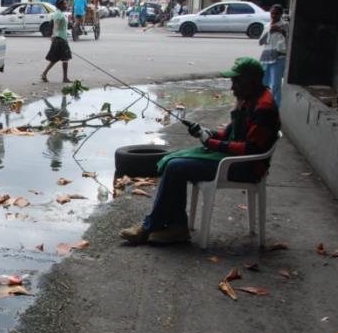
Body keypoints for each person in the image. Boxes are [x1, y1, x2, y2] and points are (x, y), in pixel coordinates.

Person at [120, 57, 281, 245]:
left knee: (176, 167)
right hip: (233, 160)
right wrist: (206, 133)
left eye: (237, 81)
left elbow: (250, 149)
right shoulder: (249, 99)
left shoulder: (263, 107)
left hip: (245, 167)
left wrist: (211, 143)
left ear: (252, 80)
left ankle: (151, 226)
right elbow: (229, 133)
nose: (232, 87)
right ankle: (176, 226)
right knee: (173, 161)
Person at [259, 4, 288, 106]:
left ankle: (275, 108)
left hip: (279, 58)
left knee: (276, 85)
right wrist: (269, 32)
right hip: (266, 58)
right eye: (272, 13)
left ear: (281, 14)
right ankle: (263, 105)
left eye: (276, 13)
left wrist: (281, 31)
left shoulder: (285, 25)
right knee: (263, 83)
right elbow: (260, 42)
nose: (274, 15)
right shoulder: (267, 25)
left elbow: (290, 41)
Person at [41, 0, 72, 83]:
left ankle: (44, 74)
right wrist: (54, 36)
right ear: (60, 5)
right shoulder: (58, 14)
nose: (66, 5)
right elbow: (56, 26)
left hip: (61, 38)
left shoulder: (59, 13)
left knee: (55, 59)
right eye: (65, 4)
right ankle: (65, 78)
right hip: (60, 39)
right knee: (65, 58)